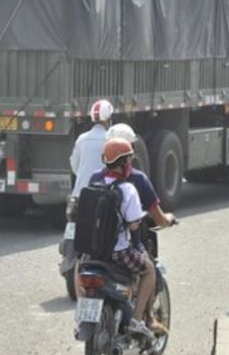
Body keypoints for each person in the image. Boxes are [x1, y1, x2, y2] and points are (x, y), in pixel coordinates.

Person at [100, 138, 171, 340]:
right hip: (119, 251)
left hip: (93, 251)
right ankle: (137, 320)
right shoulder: (129, 187)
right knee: (148, 269)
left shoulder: (94, 181)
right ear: (124, 163)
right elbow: (134, 224)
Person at [69, 99, 113, 200]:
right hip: (103, 194)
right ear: (108, 120)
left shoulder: (81, 139)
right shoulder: (111, 140)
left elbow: (74, 166)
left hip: (80, 194)